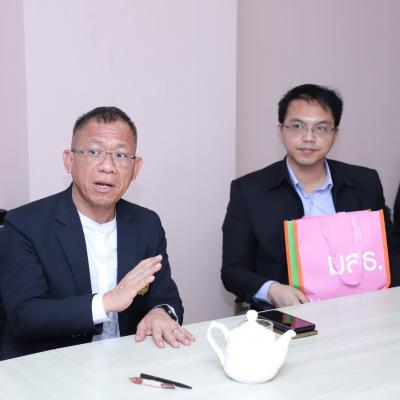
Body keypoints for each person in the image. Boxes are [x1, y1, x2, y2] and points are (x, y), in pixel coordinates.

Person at [0, 106, 194, 360]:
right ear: (69, 160)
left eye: (121, 155)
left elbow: (166, 298)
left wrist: (160, 313)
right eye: (94, 152)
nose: (108, 166)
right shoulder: (25, 224)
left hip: (126, 363)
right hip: (51, 366)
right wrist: (107, 302)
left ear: (135, 168)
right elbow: (24, 316)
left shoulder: (146, 223)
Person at [222, 83, 399, 309]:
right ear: (281, 130)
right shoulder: (249, 190)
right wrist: (272, 290)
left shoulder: (365, 182)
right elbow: (233, 271)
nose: (309, 137)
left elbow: (389, 252)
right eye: (297, 126)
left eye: (321, 128)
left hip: (361, 309)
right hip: (286, 315)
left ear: (335, 134)